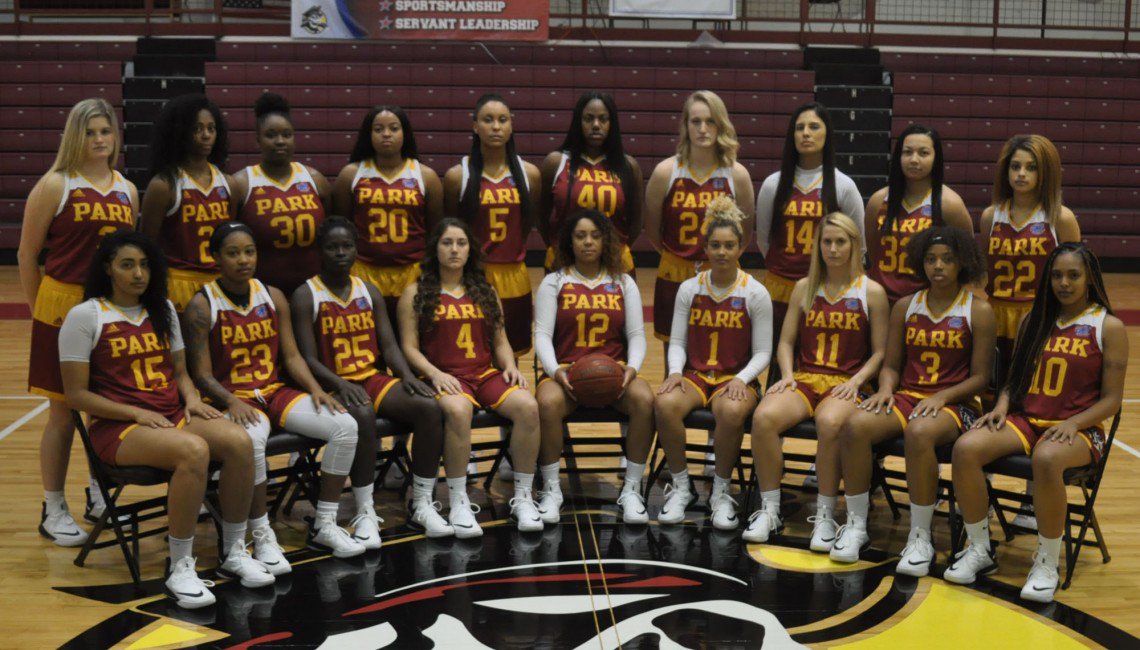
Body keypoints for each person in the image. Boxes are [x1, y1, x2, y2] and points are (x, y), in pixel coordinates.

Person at [60, 230, 272, 609]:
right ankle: (179, 567)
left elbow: (181, 374)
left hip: (171, 415)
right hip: (118, 427)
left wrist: (191, 400)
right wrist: (136, 412)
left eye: (144, 265)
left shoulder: (164, 310)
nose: (138, 273)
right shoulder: (85, 316)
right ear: (108, 268)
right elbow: (76, 395)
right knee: (194, 451)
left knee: (240, 441)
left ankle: (234, 551)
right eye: (127, 265)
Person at [948, 243, 1125, 603]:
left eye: (1073, 275)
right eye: (1057, 275)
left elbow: (1112, 400)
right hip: (1028, 420)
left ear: (1090, 278)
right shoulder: (1035, 320)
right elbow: (1014, 381)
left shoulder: (1109, 326)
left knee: (1046, 458)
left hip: (1082, 429)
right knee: (966, 448)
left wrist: (1075, 423)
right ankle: (980, 548)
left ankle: (1047, 562)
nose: (1064, 283)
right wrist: (1001, 406)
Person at [183, 222, 366, 565]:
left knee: (345, 426)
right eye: (233, 253)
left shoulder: (273, 295)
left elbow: (292, 356)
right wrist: (230, 401)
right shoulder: (201, 305)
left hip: (274, 391)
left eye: (249, 252)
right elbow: (202, 375)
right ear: (216, 257)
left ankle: (325, 524)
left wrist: (316, 390)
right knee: (251, 442)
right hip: (234, 398)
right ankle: (261, 533)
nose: (243, 260)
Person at [831, 227, 995, 573]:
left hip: (956, 405)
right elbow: (891, 366)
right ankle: (856, 526)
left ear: (962, 263)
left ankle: (921, 537)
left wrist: (943, 396)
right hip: (908, 397)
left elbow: (981, 378)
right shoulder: (906, 306)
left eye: (947, 259)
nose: (938, 266)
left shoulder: (978, 310)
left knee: (919, 432)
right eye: (931, 259)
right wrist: (885, 389)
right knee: (855, 425)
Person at [19, 98, 139, 545]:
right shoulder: (56, 184)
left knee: (103, 407)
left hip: (108, 311)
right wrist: (39, 310)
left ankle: (97, 494)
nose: (100, 139)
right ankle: (52, 507)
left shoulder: (127, 189)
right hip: (61, 306)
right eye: (90, 132)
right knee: (62, 414)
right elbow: (27, 255)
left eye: (105, 131)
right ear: (75, 136)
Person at [291, 217, 453, 538]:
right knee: (363, 414)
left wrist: (407, 375)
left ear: (356, 249)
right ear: (319, 251)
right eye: (333, 247)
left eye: (347, 246)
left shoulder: (368, 290)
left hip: (370, 378)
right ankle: (364, 510)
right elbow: (307, 358)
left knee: (429, 407)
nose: (341, 253)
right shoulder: (305, 295)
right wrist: (340, 384)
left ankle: (422, 503)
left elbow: (389, 346)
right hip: (331, 384)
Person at [744, 212, 889, 548]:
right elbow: (786, 342)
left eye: (840, 242)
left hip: (846, 381)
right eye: (827, 242)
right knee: (763, 418)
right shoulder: (804, 287)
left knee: (829, 422)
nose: (833, 249)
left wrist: (856, 382)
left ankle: (825, 515)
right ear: (818, 246)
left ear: (855, 245)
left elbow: (881, 352)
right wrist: (788, 376)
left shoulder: (872, 292)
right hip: (806, 378)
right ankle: (770, 510)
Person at [397, 218, 543, 536]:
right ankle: (459, 501)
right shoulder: (415, 292)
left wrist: (510, 365)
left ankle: (523, 498)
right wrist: (433, 373)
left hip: (483, 373)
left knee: (528, 407)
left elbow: (500, 341)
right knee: (458, 410)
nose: (454, 249)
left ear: (470, 250)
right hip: (444, 376)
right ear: (435, 249)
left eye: (461, 243)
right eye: (447, 243)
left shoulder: (484, 290)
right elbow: (408, 347)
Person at [653, 196, 773, 528]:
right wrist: (674, 372)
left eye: (729, 245)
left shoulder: (755, 292)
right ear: (705, 248)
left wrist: (742, 379)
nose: (722, 252)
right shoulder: (689, 288)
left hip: (735, 376)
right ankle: (682, 486)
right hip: (695, 375)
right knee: (663, 403)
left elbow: (764, 352)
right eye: (715, 245)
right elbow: (677, 342)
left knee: (731, 411)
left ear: (741, 247)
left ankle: (720, 491)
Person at [533, 209, 654, 524]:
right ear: (569, 242)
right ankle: (551, 489)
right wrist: (554, 370)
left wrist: (632, 368)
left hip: (614, 374)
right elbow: (542, 335)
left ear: (605, 241)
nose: (588, 242)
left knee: (645, 400)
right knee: (545, 403)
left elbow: (637, 335)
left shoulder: (623, 282)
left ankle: (631, 488)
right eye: (580, 236)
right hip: (567, 374)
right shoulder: (554, 282)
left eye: (595, 236)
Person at [644, 90, 755, 348]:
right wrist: (678, 257)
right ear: (685, 126)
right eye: (696, 121)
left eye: (710, 121)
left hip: (720, 271)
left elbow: (745, 234)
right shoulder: (665, 172)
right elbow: (652, 231)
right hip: (674, 271)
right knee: (674, 350)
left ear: (721, 125)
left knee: (719, 348)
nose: (703, 129)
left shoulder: (737, 175)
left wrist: (718, 259)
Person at [756, 102, 865, 356]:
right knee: (778, 357)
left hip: (824, 287)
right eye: (800, 127)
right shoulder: (773, 184)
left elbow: (858, 243)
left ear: (827, 134)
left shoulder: (843, 185)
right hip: (780, 286)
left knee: (818, 356)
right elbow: (763, 240)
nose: (806, 133)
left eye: (814, 127)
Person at [443, 93, 542, 355]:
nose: (496, 127)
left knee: (514, 352)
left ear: (511, 125)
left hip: (514, 274)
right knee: (475, 350)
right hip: (474, 275)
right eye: (488, 120)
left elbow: (527, 223)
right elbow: (450, 227)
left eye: (502, 120)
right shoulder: (457, 176)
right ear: (475, 126)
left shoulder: (529, 174)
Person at [331, 105, 443, 323]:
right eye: (378, 129)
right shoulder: (351, 175)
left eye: (393, 128)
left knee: (412, 336)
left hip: (413, 271)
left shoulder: (425, 176)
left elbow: (435, 231)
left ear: (405, 133)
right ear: (369, 134)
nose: (386, 134)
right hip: (363, 270)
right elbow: (341, 226)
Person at [982, 134, 1081, 372]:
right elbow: (988, 266)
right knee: (994, 384)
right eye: (1015, 166)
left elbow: (1075, 275)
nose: (1021, 174)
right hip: (996, 313)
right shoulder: (991, 216)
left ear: (1045, 172)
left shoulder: (1061, 218)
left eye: (1031, 167)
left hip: (1039, 314)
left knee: (1032, 386)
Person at [140, 94, 233, 313]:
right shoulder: (164, 186)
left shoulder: (229, 184)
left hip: (219, 282)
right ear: (180, 132)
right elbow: (147, 246)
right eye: (197, 129)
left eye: (211, 128)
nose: (206, 135)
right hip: (178, 282)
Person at [232, 92, 330, 296]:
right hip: (261, 293)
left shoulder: (315, 179)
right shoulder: (241, 184)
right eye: (271, 135)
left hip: (313, 292)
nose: (280, 141)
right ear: (258, 140)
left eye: (287, 134)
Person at [865, 124, 973, 305]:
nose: (914, 160)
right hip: (882, 301)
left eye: (923, 153)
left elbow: (966, 256)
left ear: (935, 158)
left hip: (927, 303)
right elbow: (873, 251)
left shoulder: (950, 204)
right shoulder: (878, 201)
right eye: (907, 152)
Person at [539, 91, 643, 274]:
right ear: (578, 122)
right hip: (564, 263)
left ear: (612, 123)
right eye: (588, 118)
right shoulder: (556, 163)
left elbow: (636, 222)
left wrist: (614, 250)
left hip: (614, 265)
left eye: (603, 119)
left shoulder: (628, 166)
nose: (596, 125)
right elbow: (541, 217)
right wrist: (558, 246)